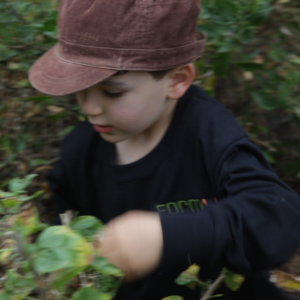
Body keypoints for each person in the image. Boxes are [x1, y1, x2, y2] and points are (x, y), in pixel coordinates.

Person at [28, 0, 300, 299]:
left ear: (177, 80)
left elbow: (278, 218)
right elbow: (64, 234)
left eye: (112, 92)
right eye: (80, 88)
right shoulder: (80, 152)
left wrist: (170, 236)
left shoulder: (208, 135)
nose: (89, 108)